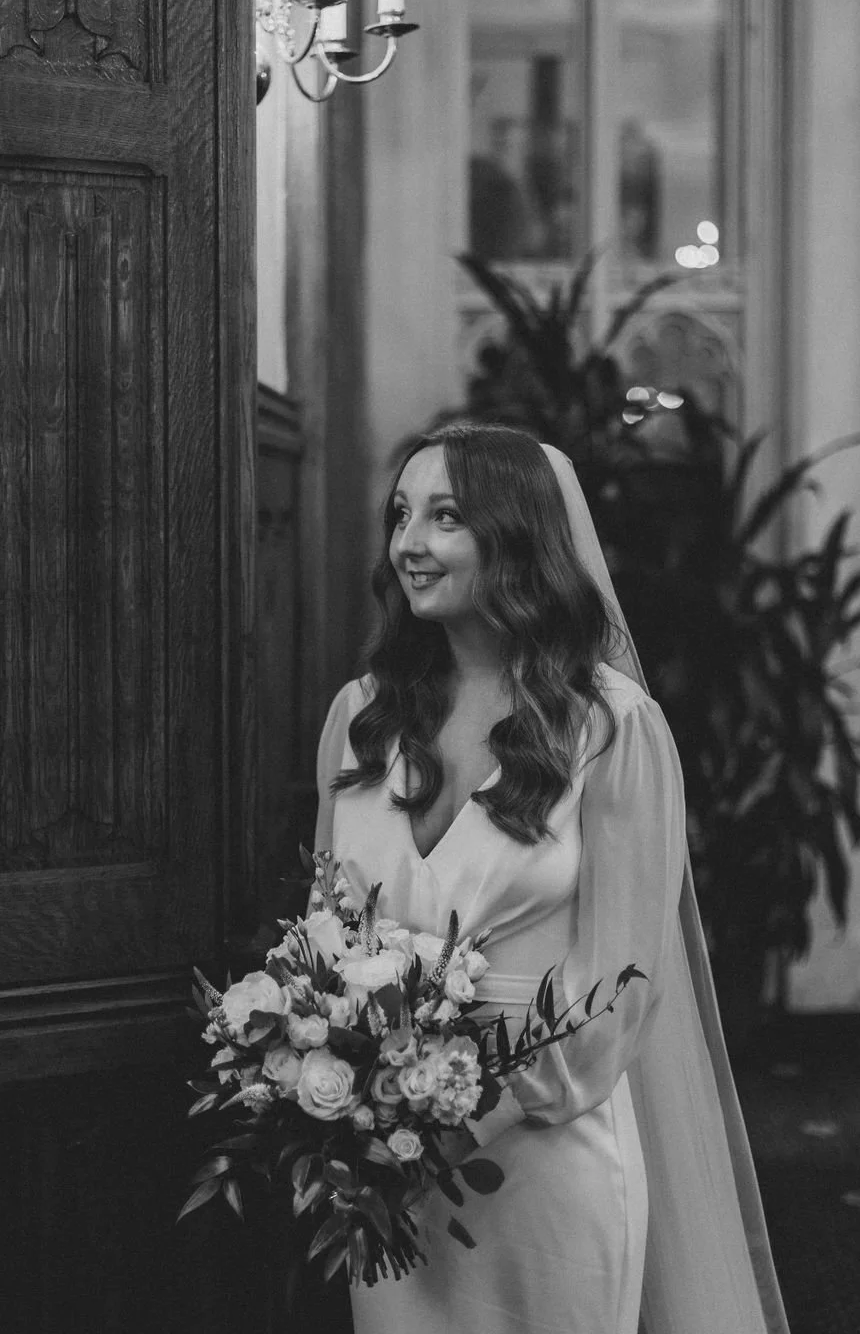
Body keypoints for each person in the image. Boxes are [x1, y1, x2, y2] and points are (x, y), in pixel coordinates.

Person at [314, 423, 790, 1334]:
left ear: (518, 536)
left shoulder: (610, 725)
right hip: (379, 1154)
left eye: (445, 517)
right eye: (402, 514)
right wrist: (340, 1096)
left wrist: (452, 1123)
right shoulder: (361, 715)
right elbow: (324, 933)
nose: (409, 543)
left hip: (546, 1149)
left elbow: (621, 986)